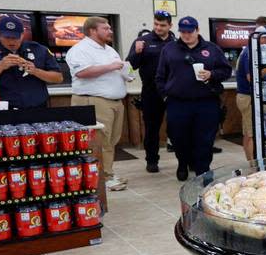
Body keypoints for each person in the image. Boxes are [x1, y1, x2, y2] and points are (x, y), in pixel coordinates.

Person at [156, 16, 232, 181]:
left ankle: (203, 170)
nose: (186, 35)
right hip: (177, 102)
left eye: (190, 31)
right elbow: (160, 76)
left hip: (206, 102)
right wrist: (165, 95)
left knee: (205, 139)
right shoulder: (169, 49)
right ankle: (183, 163)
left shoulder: (212, 49)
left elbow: (226, 71)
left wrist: (212, 74)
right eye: (183, 32)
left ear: (197, 30)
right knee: (178, 138)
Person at [67, 17, 132, 192]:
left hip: (115, 102)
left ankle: (107, 173)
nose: (110, 31)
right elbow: (82, 72)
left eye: (110, 28)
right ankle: (102, 178)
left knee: (110, 141)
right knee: (99, 141)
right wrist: (111, 67)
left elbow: (115, 69)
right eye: (106, 28)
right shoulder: (80, 50)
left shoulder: (110, 50)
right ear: (92, 31)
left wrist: (125, 73)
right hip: (94, 100)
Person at [0, 16, 62, 108]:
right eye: (7, 37)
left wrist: (35, 71)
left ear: (22, 34)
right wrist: (0, 66)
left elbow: (58, 78)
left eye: (15, 37)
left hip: (38, 108)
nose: (11, 41)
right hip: (3, 109)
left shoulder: (39, 49)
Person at [127, 11, 175, 173]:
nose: (158, 28)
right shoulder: (143, 41)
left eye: (162, 25)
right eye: (156, 24)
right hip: (151, 92)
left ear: (170, 25)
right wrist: (137, 52)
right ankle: (152, 160)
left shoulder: (176, 42)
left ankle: (185, 160)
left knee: (179, 127)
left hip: (173, 92)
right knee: (152, 128)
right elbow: (131, 65)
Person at [233, 26, 266, 162]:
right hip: (249, 97)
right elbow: (252, 78)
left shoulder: (250, 51)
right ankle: (253, 165)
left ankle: (251, 162)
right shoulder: (250, 52)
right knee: (252, 134)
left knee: (248, 132)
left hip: (247, 96)